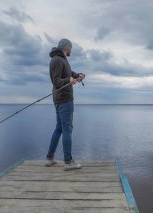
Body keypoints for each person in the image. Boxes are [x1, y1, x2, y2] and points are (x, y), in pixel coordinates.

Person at [46, 38, 85, 171]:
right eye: (70, 48)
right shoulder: (57, 60)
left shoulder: (61, 59)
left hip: (59, 100)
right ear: (66, 48)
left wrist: (77, 75)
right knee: (67, 130)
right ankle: (68, 162)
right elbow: (56, 81)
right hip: (64, 100)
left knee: (59, 129)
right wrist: (68, 80)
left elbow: (68, 73)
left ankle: (50, 159)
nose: (71, 51)